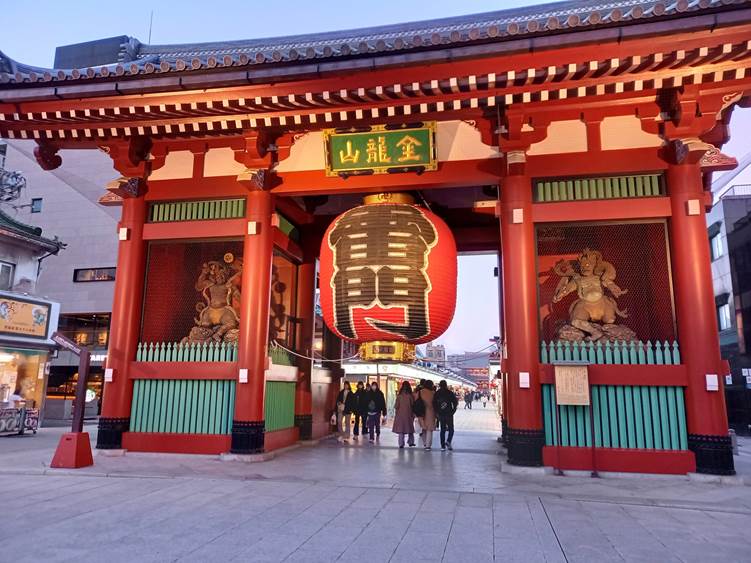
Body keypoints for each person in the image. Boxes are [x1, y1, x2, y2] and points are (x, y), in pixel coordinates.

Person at [433, 380, 458, 451]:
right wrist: (453, 411)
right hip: (449, 414)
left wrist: (437, 412)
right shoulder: (450, 393)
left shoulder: (437, 393)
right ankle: (448, 441)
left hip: (441, 414)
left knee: (442, 430)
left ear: (440, 385)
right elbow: (455, 402)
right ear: (446, 385)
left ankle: (442, 446)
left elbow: (434, 404)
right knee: (451, 429)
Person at [392, 381, 416, 448]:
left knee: (401, 430)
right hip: (409, 414)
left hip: (400, 415)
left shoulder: (399, 396)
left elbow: (396, 406)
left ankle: (401, 444)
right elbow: (413, 405)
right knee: (410, 429)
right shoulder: (410, 396)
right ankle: (411, 442)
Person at [416, 380, 436, 450]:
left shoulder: (420, 392)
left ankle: (425, 443)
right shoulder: (433, 393)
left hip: (421, 412)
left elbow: (416, 401)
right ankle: (428, 446)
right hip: (430, 412)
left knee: (423, 429)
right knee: (429, 430)